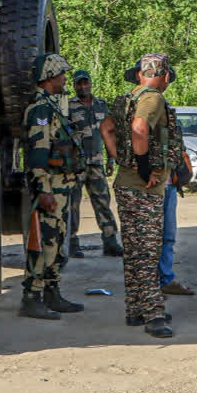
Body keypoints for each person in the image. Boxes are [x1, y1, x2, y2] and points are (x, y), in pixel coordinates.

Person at [100, 53, 177, 338]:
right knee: (147, 252)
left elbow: (106, 128)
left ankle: (135, 308)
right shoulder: (153, 99)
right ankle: (154, 313)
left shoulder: (126, 99)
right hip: (144, 189)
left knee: (133, 250)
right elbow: (140, 129)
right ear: (165, 76)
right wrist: (144, 169)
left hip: (124, 184)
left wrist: (122, 159)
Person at [19, 53, 85, 320]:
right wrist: (44, 189)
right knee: (44, 242)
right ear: (49, 78)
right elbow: (38, 152)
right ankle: (32, 296)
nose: (64, 79)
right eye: (61, 75)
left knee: (57, 242)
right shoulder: (40, 110)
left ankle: (51, 291)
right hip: (51, 187)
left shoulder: (52, 105)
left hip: (63, 185)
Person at [66, 70, 124, 258]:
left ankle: (110, 242)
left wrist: (111, 158)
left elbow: (109, 133)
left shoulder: (101, 105)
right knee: (72, 205)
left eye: (85, 83)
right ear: (74, 86)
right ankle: (72, 243)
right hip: (77, 165)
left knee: (103, 203)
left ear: (90, 84)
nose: (83, 87)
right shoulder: (68, 107)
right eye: (79, 84)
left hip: (97, 163)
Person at [159, 89, 194, 297]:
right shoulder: (142, 125)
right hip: (152, 188)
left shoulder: (173, 127)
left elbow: (178, 152)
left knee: (169, 236)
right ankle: (149, 283)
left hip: (169, 186)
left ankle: (165, 278)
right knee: (150, 238)